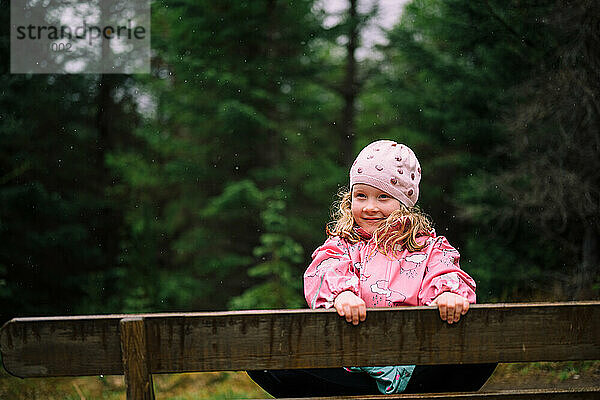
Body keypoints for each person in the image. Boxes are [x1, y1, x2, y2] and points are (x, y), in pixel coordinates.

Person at [248, 140, 496, 397]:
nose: (369, 207)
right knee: (262, 357)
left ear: (404, 202)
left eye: (383, 197)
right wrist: (341, 294)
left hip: (415, 365)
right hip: (352, 366)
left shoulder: (429, 247)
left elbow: (446, 270)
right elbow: (325, 268)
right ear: (350, 197)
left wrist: (446, 293)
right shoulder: (341, 244)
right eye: (361, 196)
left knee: (490, 343)